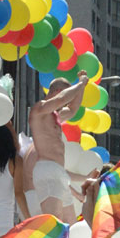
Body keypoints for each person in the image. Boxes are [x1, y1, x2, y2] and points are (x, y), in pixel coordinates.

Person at [25, 75, 90, 222]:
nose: (68, 101)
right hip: (47, 170)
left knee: (70, 227)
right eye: (67, 94)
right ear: (58, 91)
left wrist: (82, 87)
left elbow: (73, 110)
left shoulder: (57, 116)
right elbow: (62, 99)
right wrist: (80, 84)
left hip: (59, 172)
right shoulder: (39, 109)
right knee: (53, 223)